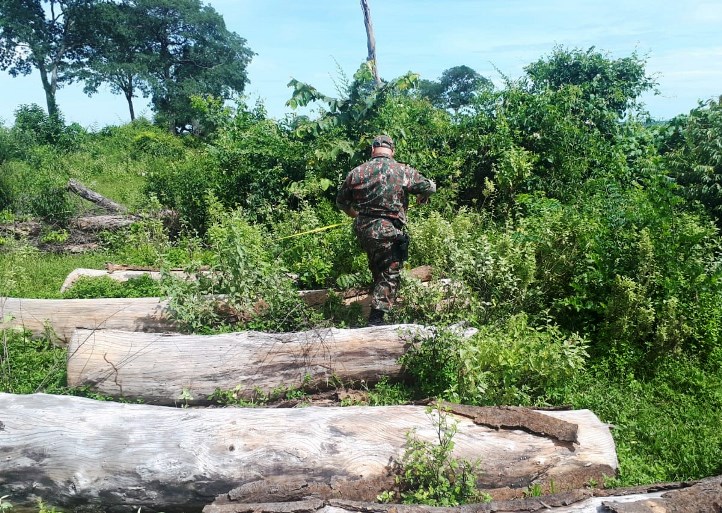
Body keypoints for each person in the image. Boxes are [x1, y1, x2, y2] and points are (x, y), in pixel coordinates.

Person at [336, 135, 436, 326]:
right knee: (390, 274)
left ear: (373, 149)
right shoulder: (402, 170)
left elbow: (341, 203)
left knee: (377, 267)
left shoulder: (356, 172)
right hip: (388, 231)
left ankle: (376, 302)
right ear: (393, 150)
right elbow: (430, 187)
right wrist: (422, 197)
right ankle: (376, 321)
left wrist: (355, 215)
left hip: (364, 230)